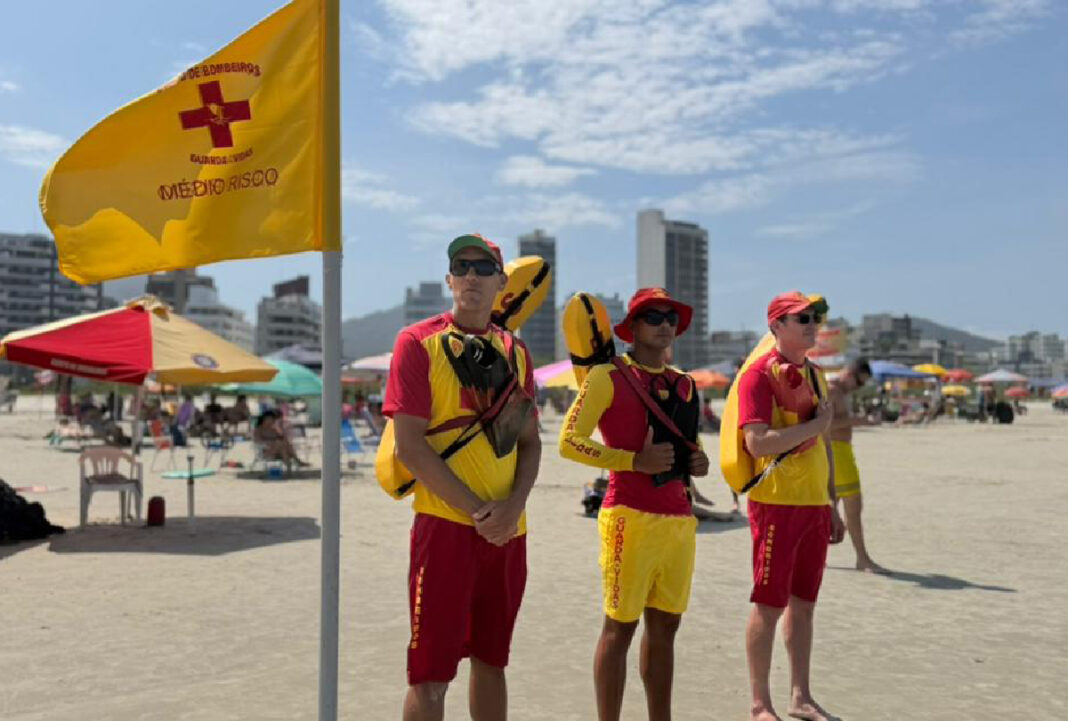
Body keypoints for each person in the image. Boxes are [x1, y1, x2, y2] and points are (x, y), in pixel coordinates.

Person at [384, 233, 540, 721]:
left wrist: (510, 510)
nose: (471, 275)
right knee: (431, 674)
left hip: (509, 532)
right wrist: (480, 512)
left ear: (500, 284)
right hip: (445, 527)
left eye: (482, 267)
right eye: (461, 266)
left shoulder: (516, 352)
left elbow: (530, 443)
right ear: (450, 279)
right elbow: (410, 446)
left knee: (493, 662)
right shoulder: (417, 343)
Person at [559, 287, 708, 721]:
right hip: (628, 515)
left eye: (671, 318)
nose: (665, 325)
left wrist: (697, 461)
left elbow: (688, 445)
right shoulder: (607, 376)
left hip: (679, 518)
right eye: (654, 316)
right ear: (633, 327)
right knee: (619, 627)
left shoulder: (685, 384)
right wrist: (631, 461)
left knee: (666, 629)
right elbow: (570, 442)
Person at [736, 291, 845, 721]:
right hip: (776, 504)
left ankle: (801, 696)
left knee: (805, 603)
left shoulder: (817, 376)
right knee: (768, 603)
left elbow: (827, 446)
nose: (812, 323)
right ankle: (760, 703)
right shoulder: (758, 376)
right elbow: (757, 442)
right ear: (776, 325)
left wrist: (831, 502)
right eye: (801, 318)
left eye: (814, 317)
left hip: (814, 505)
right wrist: (816, 425)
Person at [827, 358, 886, 574]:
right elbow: (826, 424)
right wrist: (857, 420)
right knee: (853, 508)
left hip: (840, 452)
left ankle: (816, 557)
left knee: (828, 509)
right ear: (849, 374)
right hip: (836, 453)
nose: (858, 388)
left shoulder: (841, 392)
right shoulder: (832, 391)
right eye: (859, 383)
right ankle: (862, 559)